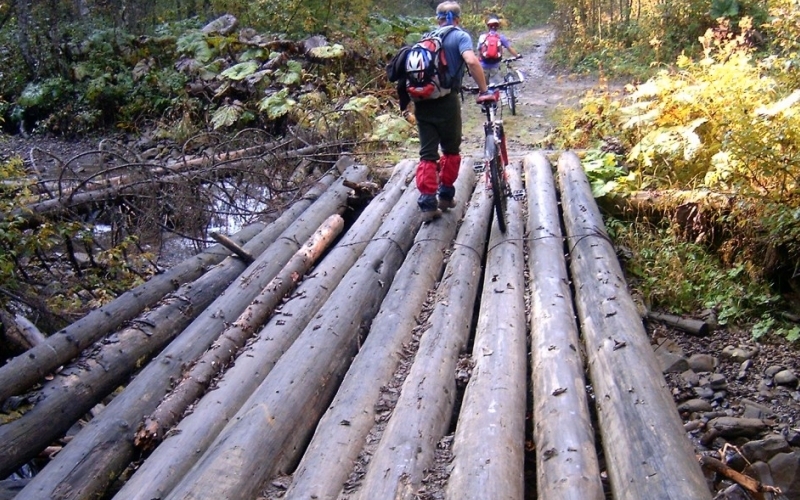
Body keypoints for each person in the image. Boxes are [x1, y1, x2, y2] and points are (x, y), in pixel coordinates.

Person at [414, 1, 496, 221]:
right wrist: (484, 89)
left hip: (422, 101)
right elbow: (471, 61)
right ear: (458, 18)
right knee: (450, 149)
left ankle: (427, 205)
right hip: (446, 101)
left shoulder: (426, 37)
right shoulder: (460, 36)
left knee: (427, 153)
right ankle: (446, 196)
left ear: (438, 19)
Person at [477, 16, 520, 85]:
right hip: (495, 65)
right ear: (497, 27)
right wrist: (517, 56)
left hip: (483, 65)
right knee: (495, 86)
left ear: (488, 27)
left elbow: (479, 50)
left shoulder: (482, 37)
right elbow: (509, 48)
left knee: (484, 86)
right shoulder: (501, 37)